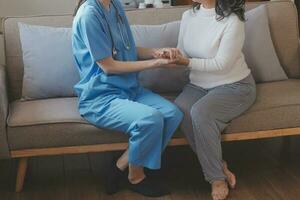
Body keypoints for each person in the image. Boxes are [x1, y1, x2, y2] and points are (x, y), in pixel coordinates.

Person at [72, 0, 183, 197]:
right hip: (100, 97)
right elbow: (109, 66)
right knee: (150, 119)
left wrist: (157, 51)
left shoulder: (114, 5)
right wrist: (155, 63)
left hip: (129, 89)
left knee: (172, 114)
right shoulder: (89, 15)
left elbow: (128, 48)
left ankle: (120, 165)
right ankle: (136, 176)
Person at [163, 0, 257, 199]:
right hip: (197, 85)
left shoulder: (233, 20)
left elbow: (222, 64)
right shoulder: (188, 16)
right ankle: (219, 164)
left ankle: (216, 179)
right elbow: (183, 51)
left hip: (234, 85)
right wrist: (172, 56)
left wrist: (186, 61)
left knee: (200, 112)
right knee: (179, 108)